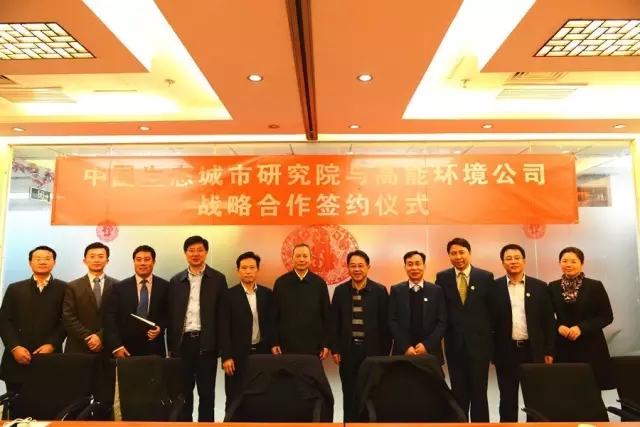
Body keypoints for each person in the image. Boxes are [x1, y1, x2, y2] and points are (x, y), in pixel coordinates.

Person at [168, 235, 228, 422]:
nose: (196, 254)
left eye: (200, 250)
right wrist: (170, 347)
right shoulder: (176, 281)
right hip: (183, 344)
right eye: (191, 250)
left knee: (207, 394)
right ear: (185, 253)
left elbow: (223, 316)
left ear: (206, 252)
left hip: (206, 343)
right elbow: (170, 316)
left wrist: (223, 348)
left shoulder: (218, 279)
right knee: (183, 393)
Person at [492, 244, 555, 422]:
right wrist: (492, 352)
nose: (513, 261)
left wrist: (549, 351)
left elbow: (548, 321)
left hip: (533, 350)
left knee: (535, 397)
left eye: (517, 258)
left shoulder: (539, 286)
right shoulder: (494, 287)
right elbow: (489, 322)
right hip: (506, 351)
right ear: (503, 263)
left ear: (524, 261)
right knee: (507, 399)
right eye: (508, 258)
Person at [435, 237, 494, 422]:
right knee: (458, 392)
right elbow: (440, 310)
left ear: (470, 253)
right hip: (454, 345)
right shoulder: (442, 278)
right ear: (449, 256)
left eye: (462, 252)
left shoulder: (485, 277)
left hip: (479, 346)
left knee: (479, 393)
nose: (458, 256)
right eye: (453, 253)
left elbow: (492, 311)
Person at [330, 250, 390, 421]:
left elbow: (386, 325)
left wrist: (384, 353)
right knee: (349, 394)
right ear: (348, 268)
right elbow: (334, 322)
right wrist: (335, 349)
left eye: (360, 266)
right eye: (353, 266)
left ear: (368, 267)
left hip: (373, 352)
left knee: (372, 393)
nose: (357, 269)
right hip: (348, 351)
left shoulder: (379, 291)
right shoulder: (341, 291)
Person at [0, 246, 67, 392]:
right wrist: (15, 347)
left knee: (48, 399)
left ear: (54, 262)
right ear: (30, 263)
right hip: (17, 357)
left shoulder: (64, 288)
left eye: (47, 259)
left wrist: (52, 344)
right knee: (15, 402)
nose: (42, 262)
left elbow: (67, 321)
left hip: (51, 356)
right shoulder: (15, 288)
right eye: (38, 259)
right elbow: (4, 320)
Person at [548, 246, 615, 390]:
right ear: (559, 263)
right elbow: (546, 316)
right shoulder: (552, 287)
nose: (568, 265)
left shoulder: (595, 286)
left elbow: (606, 316)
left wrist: (581, 328)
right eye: (565, 261)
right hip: (563, 346)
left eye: (573, 261)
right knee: (566, 389)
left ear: (582, 264)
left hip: (590, 345)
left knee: (591, 389)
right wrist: (558, 326)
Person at [220, 251, 276, 410]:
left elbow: (272, 322)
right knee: (234, 397)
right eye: (244, 268)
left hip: (262, 352)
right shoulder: (228, 295)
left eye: (252, 267)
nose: (248, 271)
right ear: (238, 271)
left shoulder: (267, 294)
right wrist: (226, 356)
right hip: (237, 355)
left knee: (261, 396)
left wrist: (274, 344)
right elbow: (223, 328)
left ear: (258, 270)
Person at [103, 245, 169, 358]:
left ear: (154, 262)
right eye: (138, 259)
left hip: (154, 348)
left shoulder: (165, 286)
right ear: (134, 262)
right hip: (126, 348)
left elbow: (168, 314)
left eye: (147, 259)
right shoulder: (119, 287)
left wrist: (160, 327)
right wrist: (116, 346)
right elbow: (110, 318)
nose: (142, 263)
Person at [272, 243, 331, 358]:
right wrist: (274, 342)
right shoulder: (281, 283)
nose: (301, 259)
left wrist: (326, 344)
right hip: (286, 346)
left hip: (313, 346)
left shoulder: (319, 283)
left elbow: (327, 316)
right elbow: (273, 315)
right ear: (292, 258)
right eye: (298, 256)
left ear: (310, 259)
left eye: (305, 256)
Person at [389, 251, 446, 363]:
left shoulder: (436, 290)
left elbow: (442, 322)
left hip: (430, 352)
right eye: (410, 264)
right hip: (403, 351)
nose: (414, 268)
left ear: (424, 266)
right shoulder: (396, 290)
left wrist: (427, 345)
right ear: (405, 267)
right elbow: (392, 320)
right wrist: (405, 346)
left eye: (418, 264)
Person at [63, 242, 118, 354]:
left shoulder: (117, 286)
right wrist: (88, 338)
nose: (96, 260)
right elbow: (68, 316)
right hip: (78, 347)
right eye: (92, 256)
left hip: (107, 346)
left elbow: (119, 316)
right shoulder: (73, 286)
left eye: (101, 256)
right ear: (85, 261)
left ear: (107, 261)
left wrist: (100, 336)